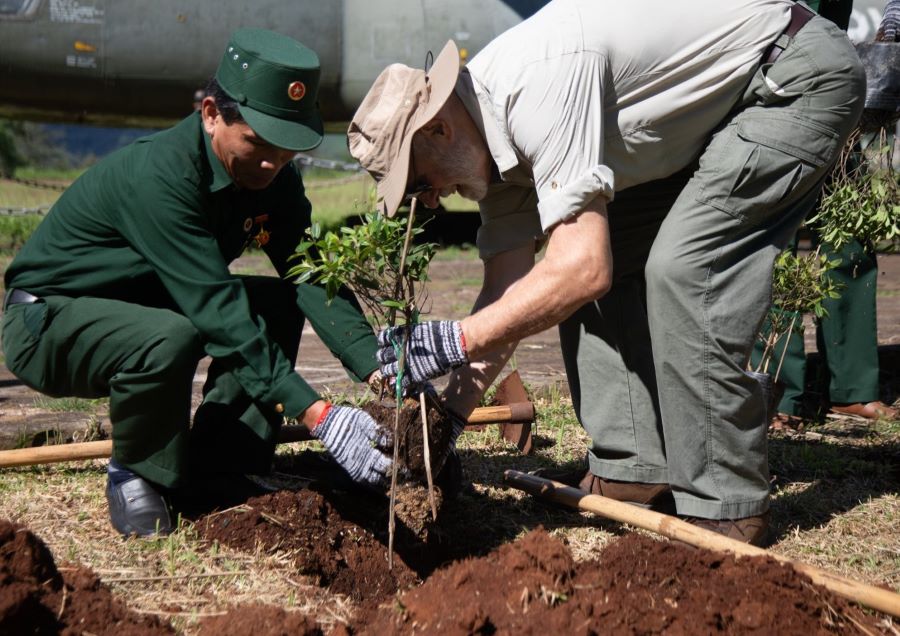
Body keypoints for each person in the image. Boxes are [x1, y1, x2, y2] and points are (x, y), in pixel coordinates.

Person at [348, 0, 865, 545]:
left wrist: (454, 339)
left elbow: (582, 269)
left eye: (417, 180)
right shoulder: (487, 145)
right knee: (597, 248)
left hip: (789, 76)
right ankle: (631, 467)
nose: (428, 199)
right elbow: (510, 293)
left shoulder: (533, 87)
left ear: (438, 131)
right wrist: (442, 423)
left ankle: (725, 504)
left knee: (684, 268)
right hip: (715, 110)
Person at [2, 29, 393, 538]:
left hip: (147, 304)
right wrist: (318, 414)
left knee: (275, 303)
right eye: (256, 142)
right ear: (212, 114)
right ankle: (137, 471)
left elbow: (311, 272)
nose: (272, 162)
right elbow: (217, 310)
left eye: (287, 149)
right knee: (173, 336)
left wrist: (378, 369)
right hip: (50, 321)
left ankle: (222, 466)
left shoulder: (272, 177)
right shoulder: (163, 177)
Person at [755, 0, 899, 426]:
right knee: (769, 242)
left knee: (847, 236)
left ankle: (853, 390)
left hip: (834, 81)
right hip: (765, 82)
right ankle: (776, 391)